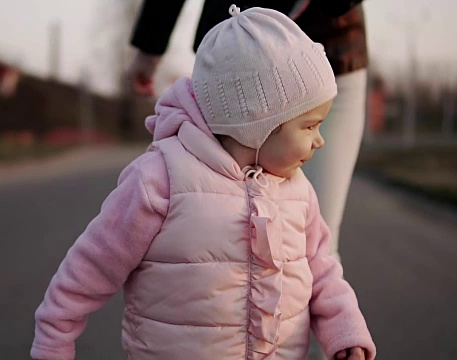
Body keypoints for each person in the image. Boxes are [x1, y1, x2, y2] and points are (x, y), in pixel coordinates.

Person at [31, 6, 375, 360]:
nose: (321, 141)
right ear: (256, 123)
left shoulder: (298, 191)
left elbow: (322, 270)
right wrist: (54, 337)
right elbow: (91, 266)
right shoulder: (161, 179)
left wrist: (345, 331)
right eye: (309, 126)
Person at [129, 0, 368, 258]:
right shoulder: (154, 181)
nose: (317, 140)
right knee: (220, 245)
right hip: (237, 73)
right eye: (311, 126)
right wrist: (150, 43)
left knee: (315, 244)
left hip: (333, 51)